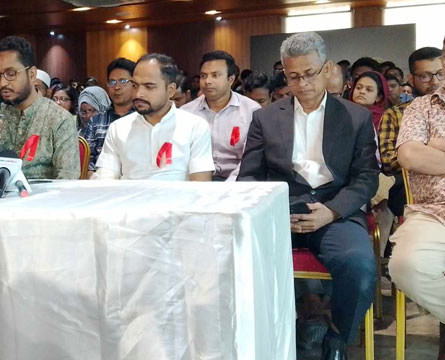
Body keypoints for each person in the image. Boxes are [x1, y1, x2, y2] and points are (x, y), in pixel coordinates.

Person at [238, 31, 378, 360]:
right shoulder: (266, 118)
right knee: (236, 257)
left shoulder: (355, 117)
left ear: (327, 69)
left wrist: (332, 211)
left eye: (310, 73)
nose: (302, 84)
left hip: (335, 211)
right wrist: (274, 212)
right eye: (293, 76)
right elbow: (249, 177)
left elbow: (366, 177)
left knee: (359, 267)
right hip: (281, 212)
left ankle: (338, 338)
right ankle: (263, 335)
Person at [390, 39, 445, 359]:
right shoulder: (422, 107)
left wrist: (436, 147)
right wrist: (424, 150)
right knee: (406, 265)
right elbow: (409, 155)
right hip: (433, 211)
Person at [94, 53, 214, 181]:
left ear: (171, 90)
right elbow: (105, 178)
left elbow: (200, 184)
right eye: (135, 85)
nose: (138, 94)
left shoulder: (195, 126)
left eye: (149, 87)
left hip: (179, 194)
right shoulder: (118, 128)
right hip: (130, 193)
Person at [0, 36, 79, 179]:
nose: (2, 83)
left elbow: (68, 179)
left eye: (11, 74)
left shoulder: (59, 119)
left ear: (31, 74)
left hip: (44, 193)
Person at [379, 47, 443, 219]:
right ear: (411, 79)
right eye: (425, 76)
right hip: (411, 186)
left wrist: (426, 149)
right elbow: (389, 161)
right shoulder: (395, 114)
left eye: (440, 74)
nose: (435, 82)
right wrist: (417, 157)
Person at [181, 50, 260, 181]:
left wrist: (228, 186)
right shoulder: (186, 113)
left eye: (215, 75)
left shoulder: (251, 110)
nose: (207, 81)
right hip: (198, 180)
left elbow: (250, 158)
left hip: (238, 181)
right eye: (203, 76)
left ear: (231, 79)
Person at [80, 58, 136, 174]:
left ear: (134, 84)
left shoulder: (142, 118)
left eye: (122, 81)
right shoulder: (96, 121)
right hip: (101, 180)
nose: (117, 87)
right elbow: (86, 160)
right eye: (112, 82)